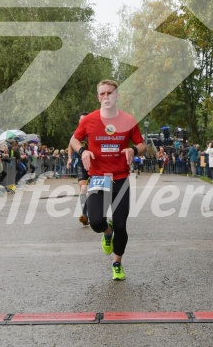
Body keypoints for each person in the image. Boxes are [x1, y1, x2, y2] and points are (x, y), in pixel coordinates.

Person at [70, 79, 146, 281]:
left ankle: (117, 263)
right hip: (97, 178)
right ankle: (106, 230)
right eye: (102, 94)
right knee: (95, 222)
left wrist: (133, 149)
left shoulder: (128, 120)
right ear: (98, 97)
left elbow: (142, 144)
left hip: (120, 178)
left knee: (122, 225)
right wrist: (83, 150)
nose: (106, 97)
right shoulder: (89, 120)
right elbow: (74, 139)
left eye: (110, 93)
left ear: (117, 96)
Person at [67, 111, 90, 225]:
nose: (83, 121)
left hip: (94, 163)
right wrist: (69, 158)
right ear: (79, 121)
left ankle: (97, 212)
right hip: (81, 163)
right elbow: (70, 145)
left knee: (94, 190)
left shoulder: (94, 131)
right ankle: (85, 214)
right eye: (81, 119)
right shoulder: (75, 133)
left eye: (85, 119)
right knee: (83, 188)